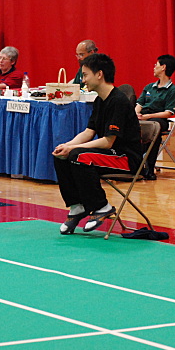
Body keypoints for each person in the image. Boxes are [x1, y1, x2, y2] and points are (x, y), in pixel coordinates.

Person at [53, 53, 141, 235]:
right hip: (109, 155)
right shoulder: (99, 100)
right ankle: (77, 206)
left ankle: (102, 206)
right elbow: (89, 132)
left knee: (78, 156)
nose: (83, 80)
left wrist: (73, 148)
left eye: (85, 75)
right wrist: (66, 145)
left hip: (126, 159)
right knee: (62, 156)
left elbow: (108, 142)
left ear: (99, 74)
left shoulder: (118, 101)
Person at [135, 54, 175, 180]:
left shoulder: (173, 90)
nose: (154, 67)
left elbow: (168, 113)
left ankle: (149, 168)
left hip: (158, 118)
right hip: (144, 117)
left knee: (153, 128)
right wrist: (136, 114)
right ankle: (133, 165)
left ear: (163, 67)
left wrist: (148, 116)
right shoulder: (149, 87)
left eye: (156, 65)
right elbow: (139, 104)